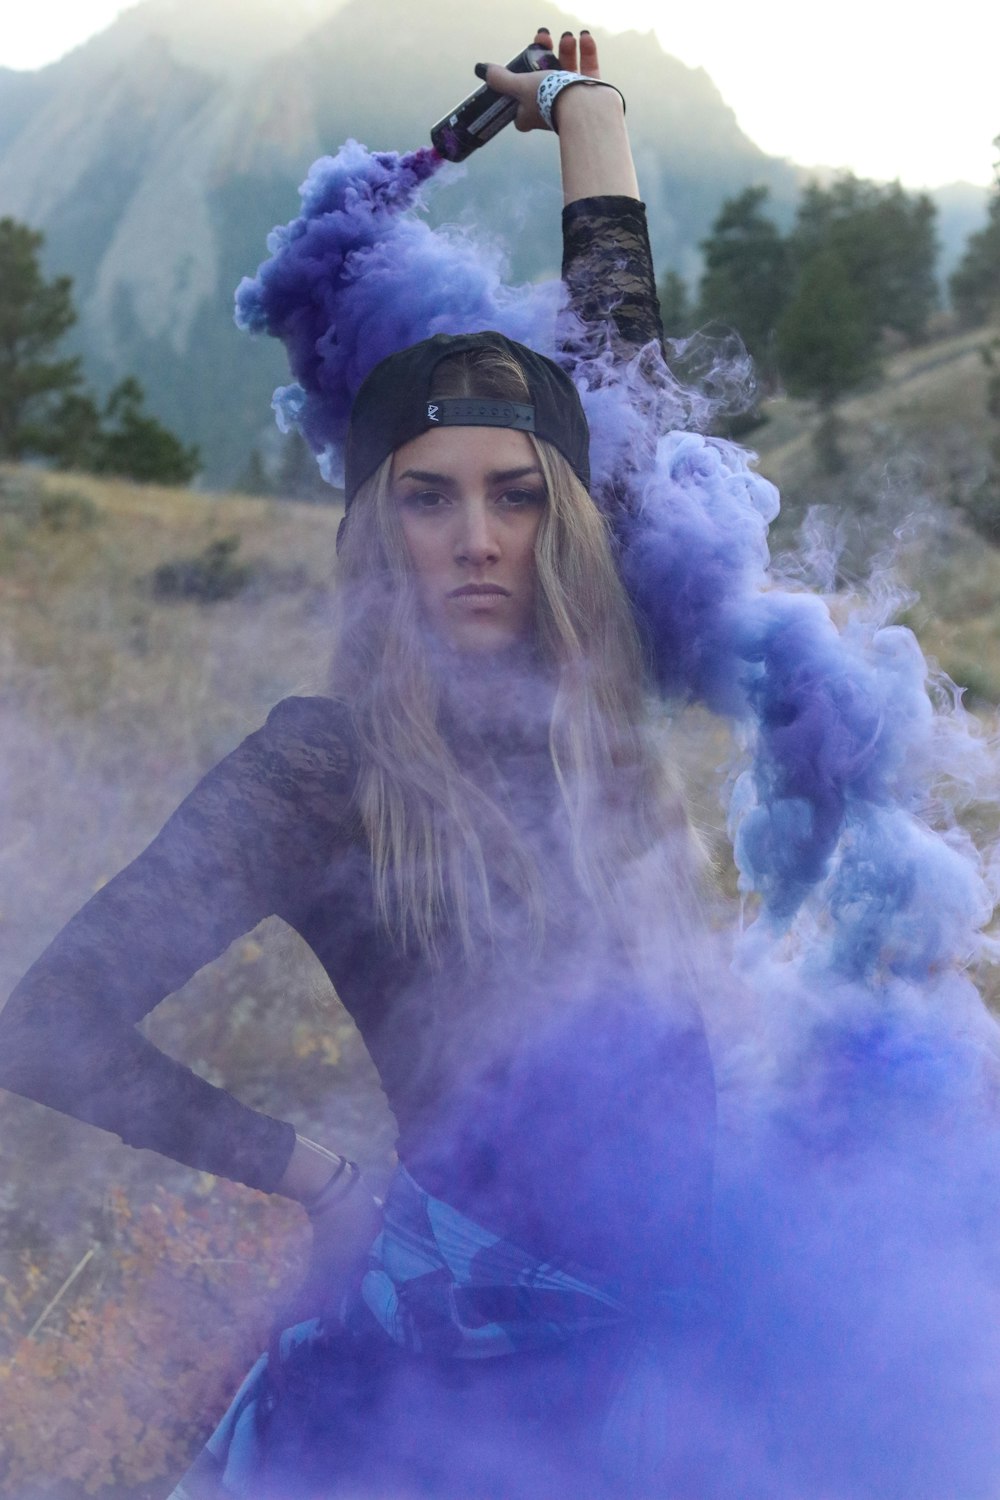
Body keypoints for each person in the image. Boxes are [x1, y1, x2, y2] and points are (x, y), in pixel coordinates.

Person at [0, 30, 719, 1498]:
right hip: (465, 1344)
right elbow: (48, 1021)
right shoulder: (317, 768)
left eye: (519, 498)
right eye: (429, 499)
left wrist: (587, 113)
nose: (476, 537)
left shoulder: (597, 691)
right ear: (375, 530)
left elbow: (624, 361)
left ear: (563, 524)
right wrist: (322, 1182)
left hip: (710, 1301)